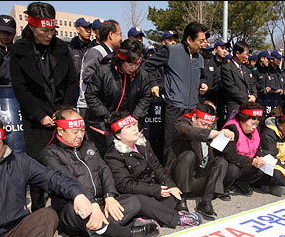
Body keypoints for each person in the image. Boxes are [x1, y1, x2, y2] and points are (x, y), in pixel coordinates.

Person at [39, 109, 159, 237]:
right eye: (75, 131)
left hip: (101, 202)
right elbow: (66, 181)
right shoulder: (50, 153)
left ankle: (92, 232)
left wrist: (109, 196)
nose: (80, 135)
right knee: (78, 212)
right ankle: (126, 232)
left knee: (133, 202)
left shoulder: (89, 145)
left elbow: (104, 169)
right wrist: (91, 203)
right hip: (74, 205)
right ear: (61, 131)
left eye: (82, 130)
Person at [10, 1, 78, 211]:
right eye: (43, 30)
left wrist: (64, 110)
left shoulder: (61, 48)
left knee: (66, 163)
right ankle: (39, 210)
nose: (49, 35)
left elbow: (71, 82)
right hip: (35, 119)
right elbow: (21, 89)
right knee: (37, 165)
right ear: (31, 27)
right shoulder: (19, 50)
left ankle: (67, 206)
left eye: (52, 30)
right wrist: (39, 115)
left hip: (60, 114)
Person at [104, 111, 203, 228]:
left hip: (150, 188)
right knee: (142, 201)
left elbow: (157, 167)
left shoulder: (143, 143)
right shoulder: (113, 155)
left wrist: (170, 185)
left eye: (134, 125)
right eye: (128, 127)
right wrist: (156, 190)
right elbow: (125, 186)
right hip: (134, 194)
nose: (134, 129)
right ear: (118, 135)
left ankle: (151, 217)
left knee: (173, 195)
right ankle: (177, 218)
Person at [144, 22, 209, 161]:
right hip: (174, 107)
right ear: (189, 40)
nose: (203, 44)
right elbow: (148, 65)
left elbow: (202, 77)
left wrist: (204, 84)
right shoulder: (171, 51)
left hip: (192, 109)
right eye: (201, 41)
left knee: (191, 145)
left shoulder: (200, 58)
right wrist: (154, 83)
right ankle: (169, 178)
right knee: (172, 146)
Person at [85, 39, 151, 156]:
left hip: (128, 123)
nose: (134, 68)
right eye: (130, 64)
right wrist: (107, 115)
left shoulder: (142, 76)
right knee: (107, 155)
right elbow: (91, 95)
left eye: (137, 64)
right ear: (121, 60)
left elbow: (146, 96)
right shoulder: (104, 71)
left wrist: (136, 115)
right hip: (103, 123)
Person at [166, 103, 232, 219]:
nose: (206, 128)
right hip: (180, 179)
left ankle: (206, 202)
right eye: (203, 124)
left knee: (221, 162)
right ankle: (181, 200)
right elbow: (187, 131)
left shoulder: (208, 131)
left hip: (199, 178)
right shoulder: (181, 124)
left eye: (209, 125)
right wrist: (213, 133)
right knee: (189, 155)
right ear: (194, 117)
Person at [219, 103, 273, 198]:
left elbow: (257, 145)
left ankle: (241, 183)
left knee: (262, 165)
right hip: (231, 163)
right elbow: (230, 156)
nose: (254, 127)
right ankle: (224, 189)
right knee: (233, 169)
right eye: (252, 123)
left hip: (246, 162)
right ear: (242, 119)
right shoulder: (231, 129)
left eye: (256, 124)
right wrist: (252, 161)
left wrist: (259, 156)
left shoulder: (255, 129)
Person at [76, 19, 122, 112]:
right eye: (120, 34)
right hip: (90, 107)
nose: (121, 38)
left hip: (104, 106)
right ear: (111, 35)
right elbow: (88, 77)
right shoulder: (95, 52)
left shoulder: (113, 53)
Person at [221, 40, 257, 120]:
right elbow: (231, 88)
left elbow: (252, 84)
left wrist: (254, 96)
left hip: (249, 107)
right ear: (237, 53)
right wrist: (247, 100)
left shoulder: (246, 69)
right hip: (235, 107)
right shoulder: (227, 68)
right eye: (246, 54)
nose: (247, 57)